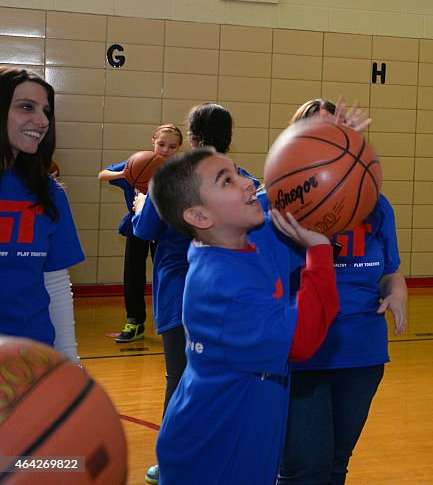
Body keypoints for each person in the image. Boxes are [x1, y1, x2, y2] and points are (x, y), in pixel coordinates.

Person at [148, 147, 339, 485]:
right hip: (210, 459)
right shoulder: (221, 287)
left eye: (238, 172)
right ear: (200, 217)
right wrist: (319, 254)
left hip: (243, 448)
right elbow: (301, 340)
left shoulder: (245, 235)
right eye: (227, 181)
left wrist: (329, 143)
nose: (249, 183)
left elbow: (295, 190)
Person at [278, 99, 407, 485]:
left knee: (336, 461)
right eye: (312, 134)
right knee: (304, 468)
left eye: (332, 134)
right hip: (303, 351)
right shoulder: (281, 202)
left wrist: (397, 290)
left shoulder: (376, 204)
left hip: (361, 350)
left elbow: (390, 272)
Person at [133, 104, 256, 485]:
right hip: (230, 290)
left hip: (180, 287)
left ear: (192, 136)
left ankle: (173, 463)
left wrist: (140, 207)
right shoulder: (244, 178)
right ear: (230, 136)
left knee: (180, 377)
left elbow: (145, 231)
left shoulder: (171, 176)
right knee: (227, 374)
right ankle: (227, 453)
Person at [0, 67, 85, 361]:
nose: (42, 121)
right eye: (26, 107)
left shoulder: (49, 193)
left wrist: (70, 361)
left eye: (46, 111)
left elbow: (56, 282)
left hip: (32, 360)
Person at [98, 124, 183, 343]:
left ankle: (171, 324)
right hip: (136, 225)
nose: (165, 149)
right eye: (161, 144)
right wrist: (125, 173)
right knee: (133, 274)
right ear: (153, 141)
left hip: (164, 229)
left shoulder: (178, 171)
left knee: (165, 275)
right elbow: (102, 174)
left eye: (172, 146)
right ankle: (135, 322)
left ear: (179, 149)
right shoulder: (138, 163)